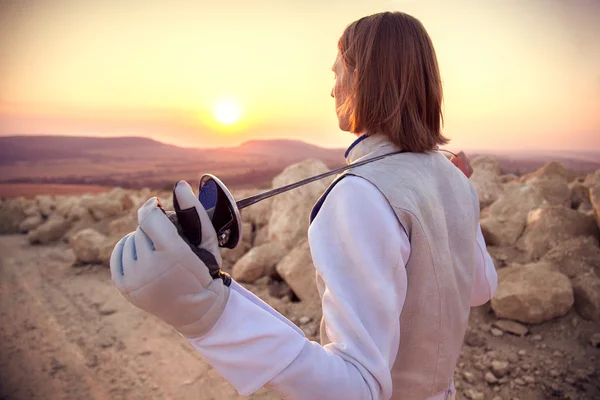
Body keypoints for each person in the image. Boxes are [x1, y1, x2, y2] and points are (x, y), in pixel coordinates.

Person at [110, 11, 497, 400]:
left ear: (365, 78)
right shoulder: (455, 182)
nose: (332, 91)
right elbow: (480, 288)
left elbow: (358, 388)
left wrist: (209, 313)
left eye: (337, 73)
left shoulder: (361, 194)